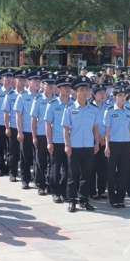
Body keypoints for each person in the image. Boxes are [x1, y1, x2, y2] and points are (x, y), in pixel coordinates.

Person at [62, 76, 100, 212]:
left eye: (87, 89)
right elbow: (65, 128)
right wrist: (67, 145)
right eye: (82, 90)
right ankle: (72, 200)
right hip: (75, 147)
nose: (85, 92)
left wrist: (96, 143)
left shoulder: (93, 109)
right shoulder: (69, 108)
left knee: (86, 175)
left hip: (88, 146)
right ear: (76, 92)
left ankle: (84, 200)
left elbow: (95, 127)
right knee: (73, 176)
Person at [104, 82, 130, 208]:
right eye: (120, 95)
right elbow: (107, 130)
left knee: (123, 172)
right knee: (111, 172)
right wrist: (107, 146)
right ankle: (113, 198)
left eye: (124, 95)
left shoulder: (129, 111)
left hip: (126, 144)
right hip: (113, 144)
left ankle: (121, 198)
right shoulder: (109, 111)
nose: (122, 98)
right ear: (114, 97)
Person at [45, 76, 74, 203]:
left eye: (69, 87)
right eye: (65, 87)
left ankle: (64, 191)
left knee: (68, 169)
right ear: (58, 89)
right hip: (57, 141)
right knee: (55, 169)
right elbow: (47, 125)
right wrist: (49, 142)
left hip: (71, 142)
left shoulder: (74, 104)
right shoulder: (52, 105)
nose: (68, 89)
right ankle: (55, 192)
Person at [14, 69, 42, 189]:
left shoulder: (42, 96)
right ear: (28, 81)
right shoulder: (22, 96)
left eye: (39, 80)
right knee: (25, 156)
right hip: (26, 131)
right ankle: (25, 179)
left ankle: (37, 180)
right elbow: (18, 115)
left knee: (38, 158)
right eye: (35, 80)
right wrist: (19, 132)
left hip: (39, 132)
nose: (37, 83)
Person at [31, 73, 57, 195]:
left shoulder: (58, 100)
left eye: (52, 84)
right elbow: (33, 120)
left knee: (52, 162)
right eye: (48, 84)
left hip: (55, 136)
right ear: (43, 85)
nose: (51, 86)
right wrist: (34, 136)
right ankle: (40, 185)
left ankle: (51, 184)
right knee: (40, 161)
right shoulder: (38, 100)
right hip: (41, 134)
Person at [3, 69, 27, 182]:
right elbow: (6, 113)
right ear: (15, 81)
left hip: (26, 128)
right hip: (14, 127)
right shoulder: (10, 95)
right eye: (20, 80)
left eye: (24, 80)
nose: (22, 82)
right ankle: (12, 173)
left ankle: (25, 174)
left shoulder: (30, 95)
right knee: (13, 151)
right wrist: (7, 128)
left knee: (25, 153)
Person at [0, 68, 14, 177]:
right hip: (0, 123)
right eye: (7, 77)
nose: (9, 79)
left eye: (10, 77)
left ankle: (9, 167)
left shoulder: (15, 93)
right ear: (2, 79)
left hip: (12, 124)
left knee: (11, 148)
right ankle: (0, 167)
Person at [89, 84, 108, 200]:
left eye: (103, 92)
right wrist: (97, 137)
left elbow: (111, 124)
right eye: (99, 93)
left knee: (103, 167)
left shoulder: (108, 107)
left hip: (105, 140)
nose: (102, 95)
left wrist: (105, 136)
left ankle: (102, 190)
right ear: (94, 95)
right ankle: (92, 190)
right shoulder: (90, 107)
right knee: (92, 167)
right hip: (93, 139)